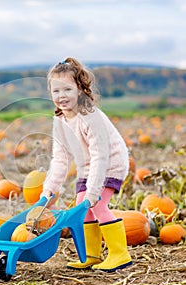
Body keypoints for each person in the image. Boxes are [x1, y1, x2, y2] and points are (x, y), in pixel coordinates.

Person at [42, 57, 132, 272]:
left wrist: (93, 191)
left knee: (97, 204)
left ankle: (120, 254)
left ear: (80, 90)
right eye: (56, 91)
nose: (61, 96)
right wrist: (50, 190)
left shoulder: (90, 116)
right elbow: (60, 158)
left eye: (67, 90)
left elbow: (101, 156)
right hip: (88, 168)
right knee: (82, 209)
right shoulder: (61, 121)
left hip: (110, 164)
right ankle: (92, 255)